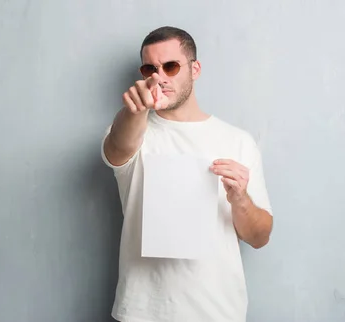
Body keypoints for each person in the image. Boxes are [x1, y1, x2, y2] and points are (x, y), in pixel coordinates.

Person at [101, 26, 274, 322]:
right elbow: (118, 146)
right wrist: (134, 111)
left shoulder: (238, 141)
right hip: (143, 312)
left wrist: (241, 199)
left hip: (217, 312)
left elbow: (259, 238)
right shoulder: (133, 131)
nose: (160, 77)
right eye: (149, 69)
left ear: (195, 69)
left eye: (170, 66)